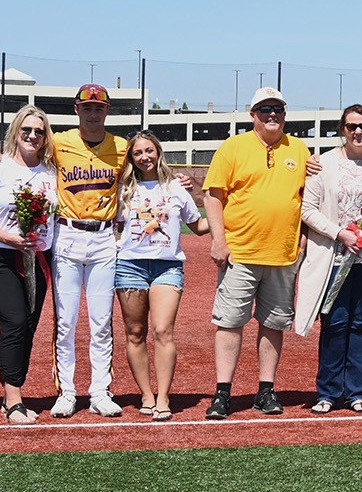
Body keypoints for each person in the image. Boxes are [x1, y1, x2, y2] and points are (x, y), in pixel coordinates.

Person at [201, 87, 311, 420]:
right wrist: (219, 240)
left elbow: (308, 197)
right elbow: (213, 196)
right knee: (230, 323)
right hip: (240, 253)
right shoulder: (233, 148)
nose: (272, 114)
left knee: (273, 324)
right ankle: (223, 393)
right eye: (264, 109)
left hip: (282, 254)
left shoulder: (301, 149)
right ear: (253, 115)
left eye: (278, 108)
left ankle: (266, 391)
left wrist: (303, 237)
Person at [294, 104, 362, 414]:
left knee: (359, 326)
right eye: (352, 127)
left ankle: (357, 393)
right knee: (334, 324)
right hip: (333, 259)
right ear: (342, 130)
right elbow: (307, 210)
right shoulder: (322, 163)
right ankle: (327, 391)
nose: (358, 132)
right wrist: (341, 234)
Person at [0, 107, 59, 425]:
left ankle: (12, 394)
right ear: (16, 132)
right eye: (27, 130)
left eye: (40, 131)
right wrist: (9, 238)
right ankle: (14, 399)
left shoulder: (51, 172)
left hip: (37, 259)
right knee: (15, 321)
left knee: (29, 326)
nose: (33, 136)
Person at [46, 83, 129, 418]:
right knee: (65, 321)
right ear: (76, 109)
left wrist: (176, 181)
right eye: (87, 107)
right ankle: (67, 391)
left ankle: (99, 390)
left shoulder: (121, 147)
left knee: (101, 321)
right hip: (66, 234)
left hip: (104, 238)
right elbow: (23, 153)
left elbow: (149, 172)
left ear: (106, 111)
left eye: (99, 108)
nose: (93, 113)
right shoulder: (59, 142)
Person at [113, 131, 207, 420]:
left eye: (149, 150)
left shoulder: (177, 187)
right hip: (129, 265)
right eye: (138, 153)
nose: (145, 157)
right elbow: (112, 225)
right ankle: (146, 393)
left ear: (159, 152)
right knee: (135, 332)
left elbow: (199, 224)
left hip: (167, 266)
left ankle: (164, 397)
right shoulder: (122, 189)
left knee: (163, 330)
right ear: (131, 158)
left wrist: (233, 217)